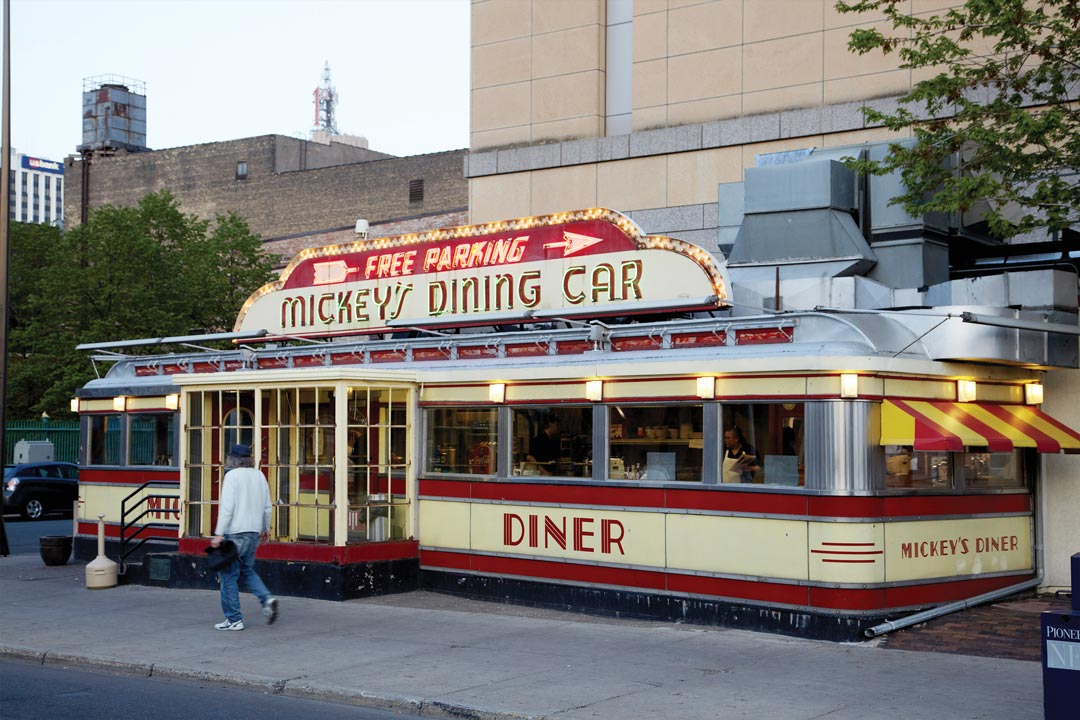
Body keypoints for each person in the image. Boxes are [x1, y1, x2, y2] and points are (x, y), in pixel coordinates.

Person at [210, 443, 278, 630]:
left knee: (228, 576)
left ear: (232, 459)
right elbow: (267, 507)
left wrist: (218, 533)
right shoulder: (259, 475)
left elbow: (227, 508)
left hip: (235, 533)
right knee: (246, 570)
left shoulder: (231, 476)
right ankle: (267, 598)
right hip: (253, 532)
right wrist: (265, 529)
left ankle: (234, 619)